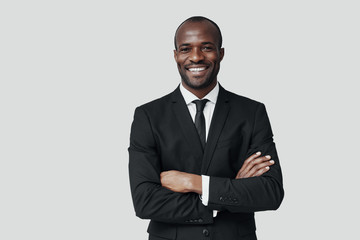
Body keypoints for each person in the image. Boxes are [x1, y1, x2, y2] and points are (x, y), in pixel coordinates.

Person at [128, 16, 284, 240]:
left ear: (221, 53)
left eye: (207, 48)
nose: (196, 57)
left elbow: (270, 192)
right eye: (186, 49)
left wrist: (195, 183)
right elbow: (145, 201)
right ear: (175, 56)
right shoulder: (148, 116)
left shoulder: (252, 112)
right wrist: (228, 192)